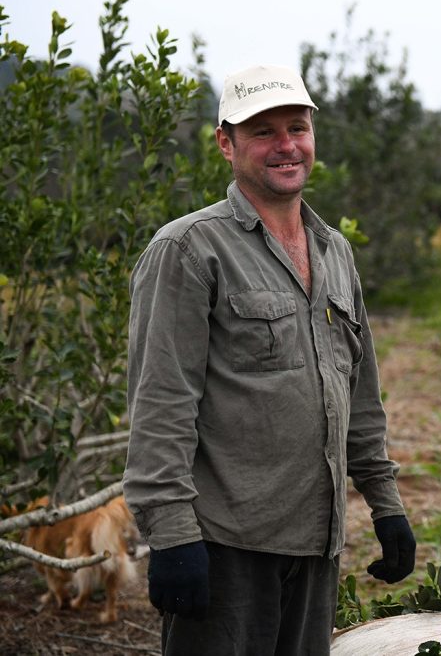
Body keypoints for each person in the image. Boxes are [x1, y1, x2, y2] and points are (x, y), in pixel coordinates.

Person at [123, 64, 416, 655]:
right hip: (224, 547)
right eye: (263, 132)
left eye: (297, 128)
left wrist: (386, 506)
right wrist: (173, 537)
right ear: (226, 143)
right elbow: (160, 405)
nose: (285, 146)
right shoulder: (187, 249)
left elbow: (360, 397)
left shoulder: (335, 252)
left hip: (316, 544)